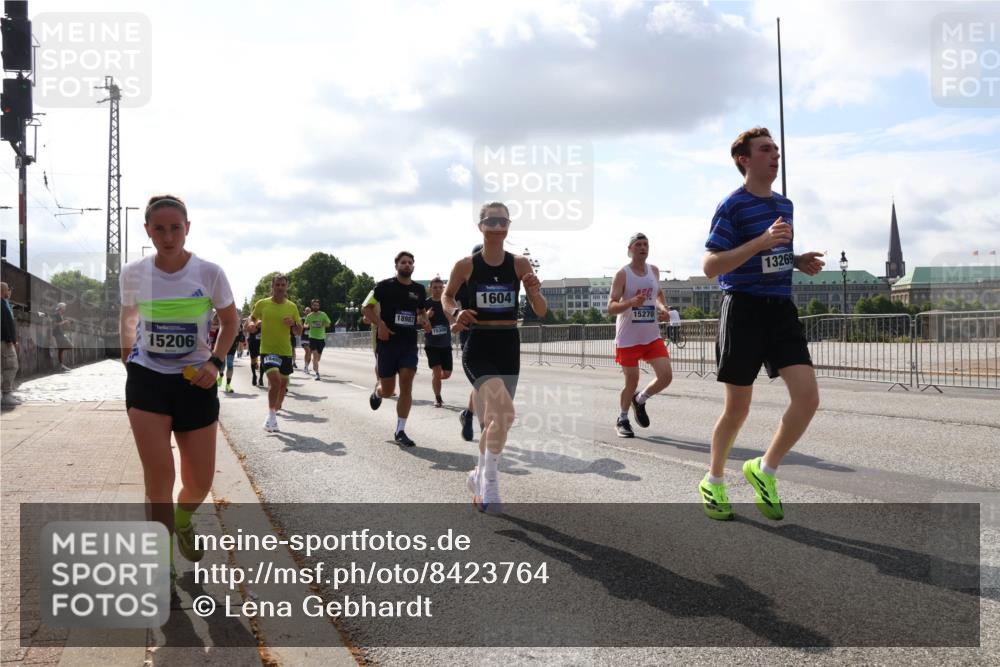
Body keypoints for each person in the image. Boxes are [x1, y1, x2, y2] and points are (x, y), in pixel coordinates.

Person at [699, 127, 825, 522]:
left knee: (808, 398)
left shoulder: (785, 205)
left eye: (776, 150)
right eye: (766, 150)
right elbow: (711, 266)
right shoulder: (732, 206)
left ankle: (765, 469)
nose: (775, 155)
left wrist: (797, 260)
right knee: (738, 409)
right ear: (744, 159)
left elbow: (775, 256)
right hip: (744, 309)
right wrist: (760, 242)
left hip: (780, 309)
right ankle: (714, 480)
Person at [118, 194, 239, 577]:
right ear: (148, 231)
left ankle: (183, 520)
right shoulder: (133, 273)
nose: (168, 237)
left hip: (195, 381)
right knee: (159, 481)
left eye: (175, 228)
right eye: (159, 229)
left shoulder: (209, 273)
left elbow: (231, 322)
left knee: (199, 483)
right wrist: (128, 357)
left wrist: (215, 362)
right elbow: (128, 317)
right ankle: (163, 562)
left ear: (187, 228)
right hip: (148, 381)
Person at [443, 203, 547, 513]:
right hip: (479, 345)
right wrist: (456, 313)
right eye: (492, 220)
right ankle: (490, 483)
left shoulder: (519, 264)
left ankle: (479, 474)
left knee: (498, 420)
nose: (498, 225)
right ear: (481, 226)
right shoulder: (466, 265)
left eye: (504, 220)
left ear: (509, 225)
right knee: (505, 413)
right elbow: (447, 296)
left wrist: (534, 291)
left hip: (508, 345)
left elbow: (541, 310)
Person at [607, 233, 674, 438]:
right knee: (632, 381)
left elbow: (658, 294)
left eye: (646, 244)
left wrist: (663, 308)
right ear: (630, 249)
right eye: (638, 245)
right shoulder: (623, 274)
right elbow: (611, 307)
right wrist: (630, 302)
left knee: (666, 376)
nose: (643, 247)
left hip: (651, 335)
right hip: (628, 338)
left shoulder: (654, 270)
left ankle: (640, 399)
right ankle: (622, 418)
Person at [363, 251, 428, 448]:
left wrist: (424, 320)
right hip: (388, 344)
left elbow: (421, 311)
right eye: (403, 262)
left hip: (408, 344)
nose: (407, 265)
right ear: (396, 266)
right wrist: (380, 325)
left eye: (410, 262)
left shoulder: (419, 290)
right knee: (388, 390)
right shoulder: (384, 286)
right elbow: (366, 308)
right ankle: (377, 392)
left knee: (406, 384)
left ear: (413, 266)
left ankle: (400, 430)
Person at [250, 275, 303, 432]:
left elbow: (299, 331)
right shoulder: (262, 304)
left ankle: (275, 409)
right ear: (272, 287)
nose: (280, 287)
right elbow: (251, 319)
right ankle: (271, 416)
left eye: (283, 285)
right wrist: (252, 324)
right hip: (267, 349)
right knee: (275, 381)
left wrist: (293, 323)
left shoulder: (292, 307)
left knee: (283, 385)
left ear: (286, 287)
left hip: (285, 350)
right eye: (277, 285)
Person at [455, 243, 483, 440]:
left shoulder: (495, 278)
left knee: (482, 383)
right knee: (482, 383)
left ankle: (468, 415)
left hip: (495, 337)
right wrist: (454, 318)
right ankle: (487, 432)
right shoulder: (462, 282)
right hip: (470, 336)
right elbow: (447, 301)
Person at [423, 276, 454, 407]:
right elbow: (418, 321)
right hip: (432, 344)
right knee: (436, 371)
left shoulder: (447, 302)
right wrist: (426, 316)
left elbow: (454, 318)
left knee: (446, 374)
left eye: (440, 287)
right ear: (430, 289)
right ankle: (437, 397)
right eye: (435, 287)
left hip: (445, 343)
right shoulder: (426, 303)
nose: (438, 290)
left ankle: (435, 379)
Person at [1, 282, 19, 409]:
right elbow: (4, 323)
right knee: (11, 366)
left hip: (4, 340)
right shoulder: (1, 304)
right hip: (4, 341)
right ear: (3, 291)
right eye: (8, 289)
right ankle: (6, 395)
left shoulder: (4, 303)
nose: (9, 291)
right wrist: (10, 339)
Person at [304, 298, 332, 380]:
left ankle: (314, 362)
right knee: (315, 356)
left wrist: (323, 324)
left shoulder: (323, 314)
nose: (316, 306)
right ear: (312, 306)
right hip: (312, 338)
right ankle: (317, 374)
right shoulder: (309, 316)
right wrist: (307, 326)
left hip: (321, 338)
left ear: (319, 306)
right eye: (314, 305)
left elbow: (329, 324)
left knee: (318, 358)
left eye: (317, 305)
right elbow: (305, 324)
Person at [52, 302, 73, 371]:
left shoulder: (62, 316)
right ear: (60, 308)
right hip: (57, 335)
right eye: (64, 307)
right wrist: (64, 322)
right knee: (69, 346)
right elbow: (54, 324)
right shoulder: (55, 315)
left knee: (63, 348)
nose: (65, 309)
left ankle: (61, 365)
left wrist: (67, 324)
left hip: (61, 334)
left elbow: (61, 326)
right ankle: (60, 365)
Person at [245, 316, 263, 386]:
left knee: (263, 361)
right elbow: (245, 328)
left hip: (262, 343)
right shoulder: (250, 318)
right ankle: (254, 375)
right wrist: (250, 325)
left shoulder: (263, 317)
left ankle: (261, 377)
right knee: (253, 361)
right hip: (253, 343)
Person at [300, 306, 313, 373]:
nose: (308, 312)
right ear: (304, 312)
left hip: (311, 338)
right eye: (307, 311)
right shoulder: (302, 319)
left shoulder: (313, 319)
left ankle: (306, 367)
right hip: (304, 338)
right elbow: (301, 326)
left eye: (309, 311)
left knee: (310, 353)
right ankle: (306, 366)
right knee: (307, 351)